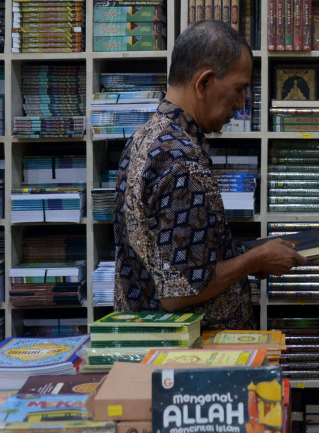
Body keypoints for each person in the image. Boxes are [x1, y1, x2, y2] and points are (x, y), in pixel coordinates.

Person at [114, 20, 306, 326]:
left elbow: (170, 255)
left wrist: (244, 256)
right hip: (189, 353)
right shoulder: (182, 162)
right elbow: (180, 291)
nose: (241, 104)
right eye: (239, 89)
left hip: (151, 338)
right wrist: (255, 260)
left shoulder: (145, 138)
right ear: (203, 82)